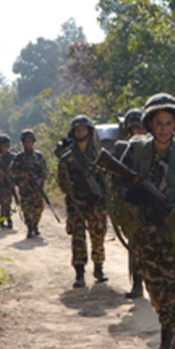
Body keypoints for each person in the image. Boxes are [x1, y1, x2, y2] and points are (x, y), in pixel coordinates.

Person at [117, 94, 175, 349]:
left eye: (169, 123)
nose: (164, 128)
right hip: (145, 234)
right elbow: (118, 182)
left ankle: (163, 348)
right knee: (155, 290)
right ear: (149, 124)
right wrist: (135, 200)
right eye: (159, 123)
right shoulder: (136, 151)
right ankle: (171, 326)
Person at [57, 115, 109, 288]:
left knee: (98, 235)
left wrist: (100, 195)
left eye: (83, 129)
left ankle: (99, 268)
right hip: (76, 203)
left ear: (89, 131)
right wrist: (75, 189)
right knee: (78, 238)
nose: (80, 132)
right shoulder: (68, 156)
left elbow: (106, 177)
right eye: (77, 130)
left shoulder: (98, 153)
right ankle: (79, 273)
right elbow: (62, 180)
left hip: (96, 203)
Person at [110, 108, 148, 298]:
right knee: (136, 247)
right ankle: (138, 284)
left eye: (142, 127)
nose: (139, 131)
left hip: (156, 207)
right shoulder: (124, 150)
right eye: (136, 128)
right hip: (134, 207)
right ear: (128, 130)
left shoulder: (157, 147)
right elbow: (116, 180)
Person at [10, 129, 48, 239]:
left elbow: (44, 171)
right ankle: (30, 227)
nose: (28, 144)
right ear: (23, 143)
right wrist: (23, 174)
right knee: (27, 208)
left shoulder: (39, 156)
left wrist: (40, 179)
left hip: (37, 188)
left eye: (30, 141)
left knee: (38, 208)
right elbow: (12, 171)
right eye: (26, 141)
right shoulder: (19, 157)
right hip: (25, 188)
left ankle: (35, 225)